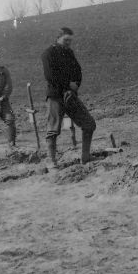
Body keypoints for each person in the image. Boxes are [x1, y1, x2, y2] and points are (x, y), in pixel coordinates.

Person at [41, 27, 96, 170]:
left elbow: (78, 71)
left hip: (70, 96)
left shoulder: (69, 53)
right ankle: (51, 161)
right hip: (55, 96)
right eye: (66, 40)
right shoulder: (48, 53)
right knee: (53, 130)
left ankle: (85, 157)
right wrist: (67, 85)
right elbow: (50, 76)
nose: (68, 43)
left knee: (89, 124)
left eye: (70, 41)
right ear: (57, 38)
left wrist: (75, 86)